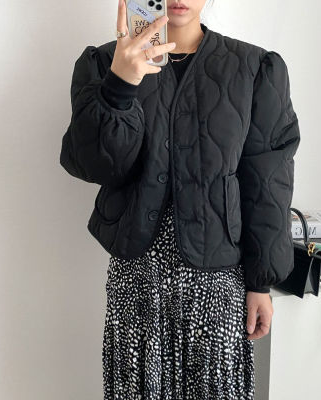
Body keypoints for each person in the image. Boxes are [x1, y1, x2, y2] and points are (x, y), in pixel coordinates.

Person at [59, 0, 301, 398]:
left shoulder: (255, 68)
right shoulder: (105, 62)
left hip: (218, 281)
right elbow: (93, 166)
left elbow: (267, 184)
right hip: (138, 280)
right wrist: (120, 84)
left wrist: (261, 282)